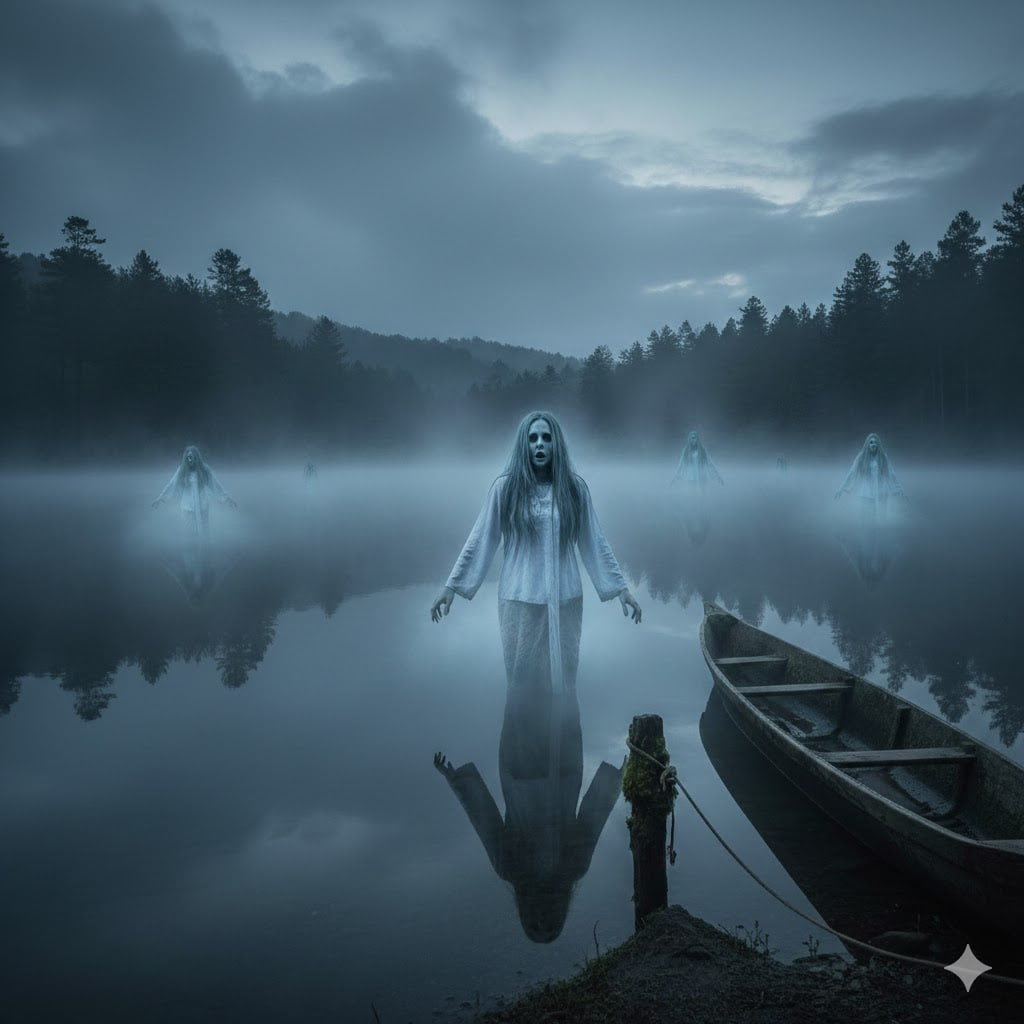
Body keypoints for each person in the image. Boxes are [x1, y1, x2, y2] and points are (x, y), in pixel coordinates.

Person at [430, 411, 640, 697]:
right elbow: (481, 539)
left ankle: (564, 725)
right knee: (522, 683)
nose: (539, 444)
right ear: (524, 445)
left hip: (566, 599)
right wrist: (452, 586)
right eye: (532, 438)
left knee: (564, 681)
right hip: (520, 599)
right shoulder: (505, 489)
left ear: (556, 444)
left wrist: (621, 589)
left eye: (546, 437)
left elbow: (595, 541)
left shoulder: (574, 489)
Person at [152, 445, 237, 535]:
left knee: (204, 531)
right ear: (185, 458)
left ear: (196, 457)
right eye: (188, 457)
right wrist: (161, 498)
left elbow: (215, 484)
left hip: (202, 506)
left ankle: (204, 544)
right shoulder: (182, 470)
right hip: (188, 507)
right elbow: (171, 484)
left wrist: (226, 498)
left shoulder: (204, 469)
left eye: (192, 457)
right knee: (189, 533)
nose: (190, 459)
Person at [834, 433, 905, 521]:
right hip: (867, 491)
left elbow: (891, 474)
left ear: (878, 445)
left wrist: (899, 489)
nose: (873, 444)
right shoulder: (861, 457)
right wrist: (842, 488)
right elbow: (852, 472)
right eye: (871, 442)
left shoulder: (883, 457)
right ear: (867, 444)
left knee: (882, 516)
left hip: (881, 491)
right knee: (866, 516)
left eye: (875, 442)